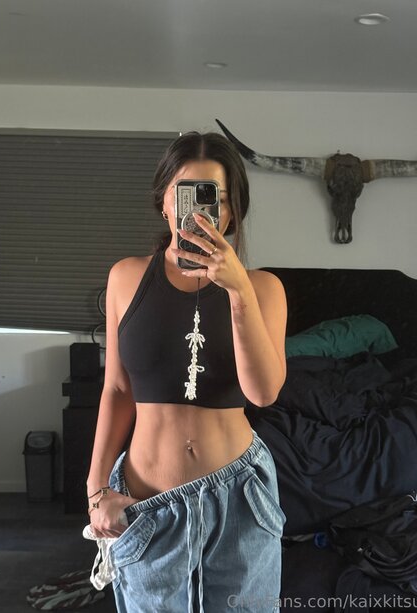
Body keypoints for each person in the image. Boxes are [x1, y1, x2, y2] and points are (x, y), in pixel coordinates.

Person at [84, 130, 288, 613]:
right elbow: (116, 389)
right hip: (146, 503)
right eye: (185, 193)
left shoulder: (263, 288)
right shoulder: (126, 277)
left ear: (232, 211)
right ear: (164, 203)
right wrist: (95, 491)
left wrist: (238, 291)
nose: (198, 210)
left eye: (215, 197)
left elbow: (263, 393)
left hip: (241, 500)